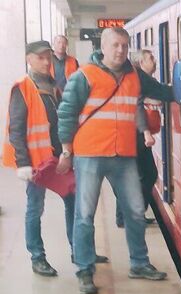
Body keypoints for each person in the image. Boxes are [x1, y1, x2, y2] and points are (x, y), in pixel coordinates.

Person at [56, 27, 173, 294]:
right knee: (84, 215)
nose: (120, 50)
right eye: (115, 45)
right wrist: (66, 150)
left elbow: (160, 91)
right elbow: (66, 112)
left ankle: (139, 263)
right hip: (89, 154)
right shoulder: (84, 75)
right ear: (103, 46)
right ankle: (84, 270)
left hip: (123, 154)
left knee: (134, 211)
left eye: (124, 45)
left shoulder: (134, 74)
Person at [1, 40, 107, 277]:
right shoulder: (22, 87)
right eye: (40, 57)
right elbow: (16, 129)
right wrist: (23, 163)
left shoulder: (55, 88)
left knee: (75, 204)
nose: (46, 61)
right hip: (37, 163)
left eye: (48, 56)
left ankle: (79, 251)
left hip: (60, 159)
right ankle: (37, 258)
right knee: (35, 209)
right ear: (29, 58)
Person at [115, 49, 161, 228]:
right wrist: (146, 132)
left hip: (136, 136)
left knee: (139, 177)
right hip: (134, 137)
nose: (154, 61)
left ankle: (130, 215)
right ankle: (132, 215)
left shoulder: (145, 81)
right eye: (151, 58)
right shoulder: (137, 81)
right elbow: (138, 105)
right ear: (141, 63)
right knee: (147, 175)